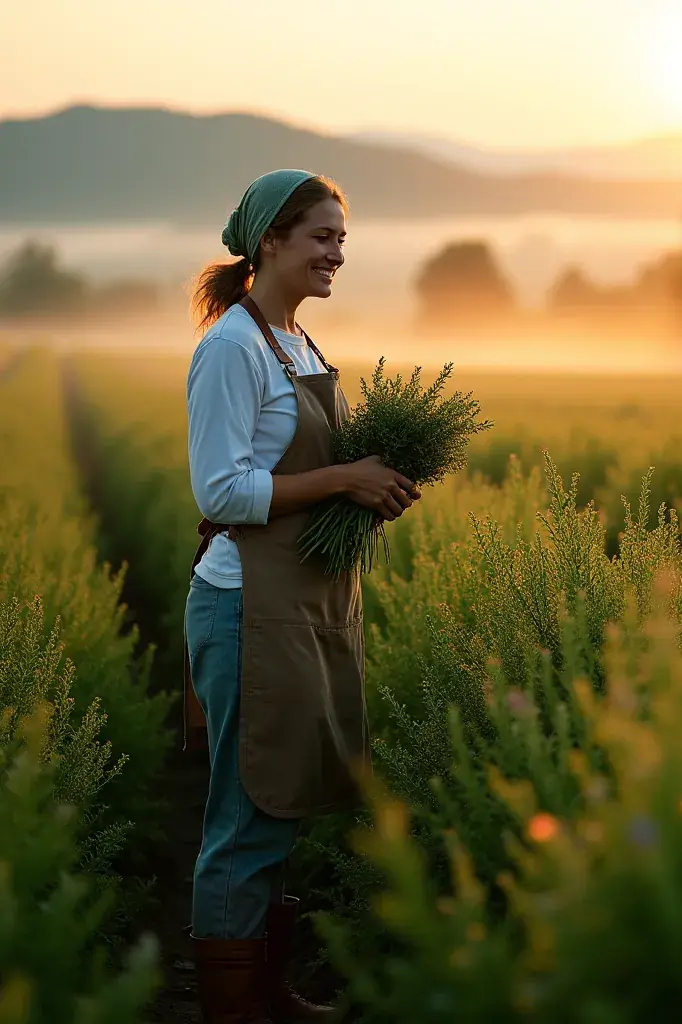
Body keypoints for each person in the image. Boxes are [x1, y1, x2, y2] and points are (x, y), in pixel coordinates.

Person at [183, 169, 421, 1023]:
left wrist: (372, 489)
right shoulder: (232, 348)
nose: (337, 255)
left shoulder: (299, 345)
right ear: (270, 242)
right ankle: (232, 1006)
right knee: (246, 813)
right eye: (322, 237)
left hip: (299, 606)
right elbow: (221, 493)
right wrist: (343, 479)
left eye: (343, 240)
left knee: (277, 804)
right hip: (247, 606)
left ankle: (265, 989)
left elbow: (306, 476)